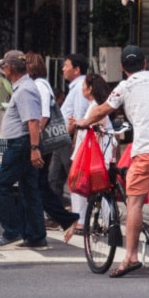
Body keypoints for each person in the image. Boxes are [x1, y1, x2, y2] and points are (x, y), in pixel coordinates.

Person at [79, 45, 149, 276]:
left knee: (134, 201)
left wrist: (82, 122)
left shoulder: (125, 86)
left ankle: (130, 256)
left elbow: (102, 111)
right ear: (145, 63)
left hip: (147, 152)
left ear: (122, 68)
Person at [0, 49, 49, 249]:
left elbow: (32, 121)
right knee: (29, 189)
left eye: (5, 65)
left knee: (1, 185)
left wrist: (33, 148)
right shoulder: (23, 87)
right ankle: (35, 235)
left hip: (22, 144)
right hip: (23, 143)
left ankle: (12, 230)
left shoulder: (25, 90)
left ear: (11, 68)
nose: (3, 68)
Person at [25, 53, 78, 231]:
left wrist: (35, 139)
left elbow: (44, 114)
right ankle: (61, 218)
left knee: (37, 185)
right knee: (39, 184)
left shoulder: (39, 85)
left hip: (40, 143)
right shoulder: (41, 84)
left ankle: (64, 218)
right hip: (40, 142)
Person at [61, 71, 113, 247]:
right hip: (91, 154)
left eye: (84, 86)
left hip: (93, 155)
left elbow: (97, 126)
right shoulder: (94, 105)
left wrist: (80, 123)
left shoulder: (97, 106)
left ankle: (87, 220)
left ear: (90, 89)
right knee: (88, 187)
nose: (82, 89)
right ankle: (95, 220)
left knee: (87, 187)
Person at [56, 53, 92, 219]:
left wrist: (69, 139)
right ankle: (59, 214)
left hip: (70, 138)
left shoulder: (80, 88)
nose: (63, 68)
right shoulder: (76, 87)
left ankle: (76, 216)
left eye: (66, 65)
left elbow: (78, 118)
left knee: (74, 178)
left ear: (76, 70)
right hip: (66, 137)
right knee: (58, 177)